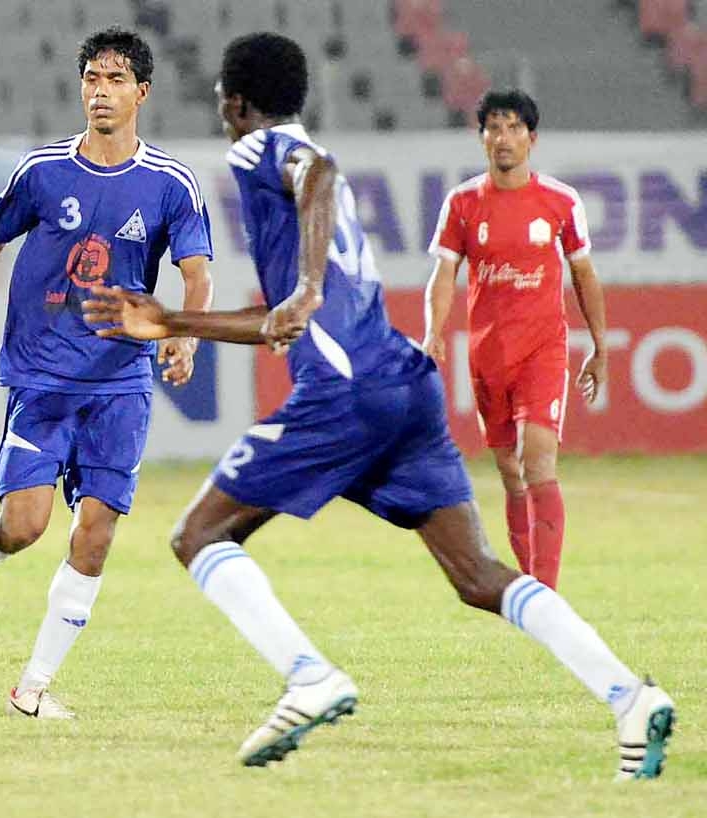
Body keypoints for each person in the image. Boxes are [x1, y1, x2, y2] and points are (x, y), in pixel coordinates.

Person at [81, 33, 673, 779]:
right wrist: (172, 320)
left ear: (233, 102)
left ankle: (309, 677)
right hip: (402, 382)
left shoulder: (261, 151)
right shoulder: (307, 173)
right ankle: (629, 696)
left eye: (226, 104)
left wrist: (302, 290)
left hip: (344, 393)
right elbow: (278, 323)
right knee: (477, 575)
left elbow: (314, 182)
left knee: (197, 536)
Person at [0, 27, 213, 719]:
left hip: (120, 383)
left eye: (116, 80)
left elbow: (196, 268)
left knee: (96, 530)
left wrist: (185, 335)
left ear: (143, 93)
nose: (101, 91)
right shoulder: (41, 170)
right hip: (42, 379)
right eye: (92, 78)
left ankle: (32, 688)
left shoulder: (169, 183)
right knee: (25, 525)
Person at [422, 89, 608, 590]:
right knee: (509, 470)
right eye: (494, 129)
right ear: (481, 138)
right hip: (488, 356)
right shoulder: (461, 204)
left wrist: (599, 346)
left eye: (513, 129)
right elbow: (444, 273)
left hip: (543, 350)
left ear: (532, 138)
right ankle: (530, 587)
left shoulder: (561, 201)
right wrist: (433, 332)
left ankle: (545, 592)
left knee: (538, 459)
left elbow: (584, 275)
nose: (503, 139)